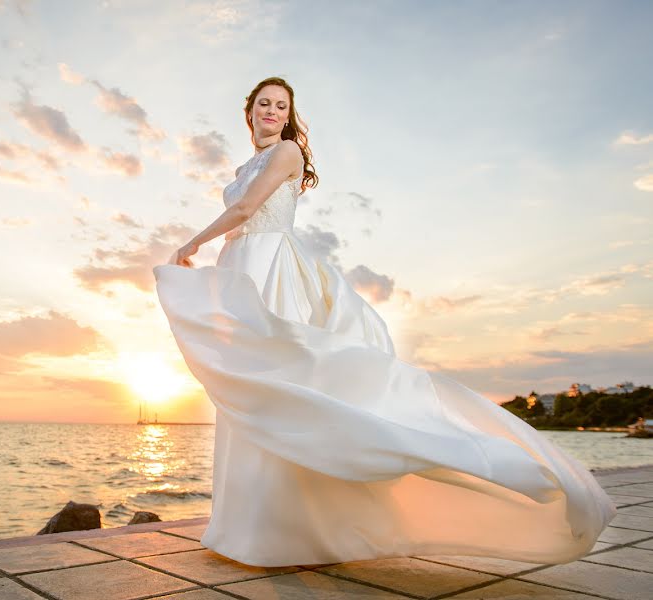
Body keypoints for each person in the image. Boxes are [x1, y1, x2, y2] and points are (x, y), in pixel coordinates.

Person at [151, 76, 616, 568]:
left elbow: (246, 208)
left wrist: (191, 244)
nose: (271, 111)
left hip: (270, 270)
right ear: (249, 113)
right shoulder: (246, 162)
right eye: (263, 104)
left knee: (277, 384)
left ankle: (283, 531)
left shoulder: (286, 153)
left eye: (280, 106)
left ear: (289, 116)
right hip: (239, 266)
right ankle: (246, 527)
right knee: (245, 392)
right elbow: (241, 214)